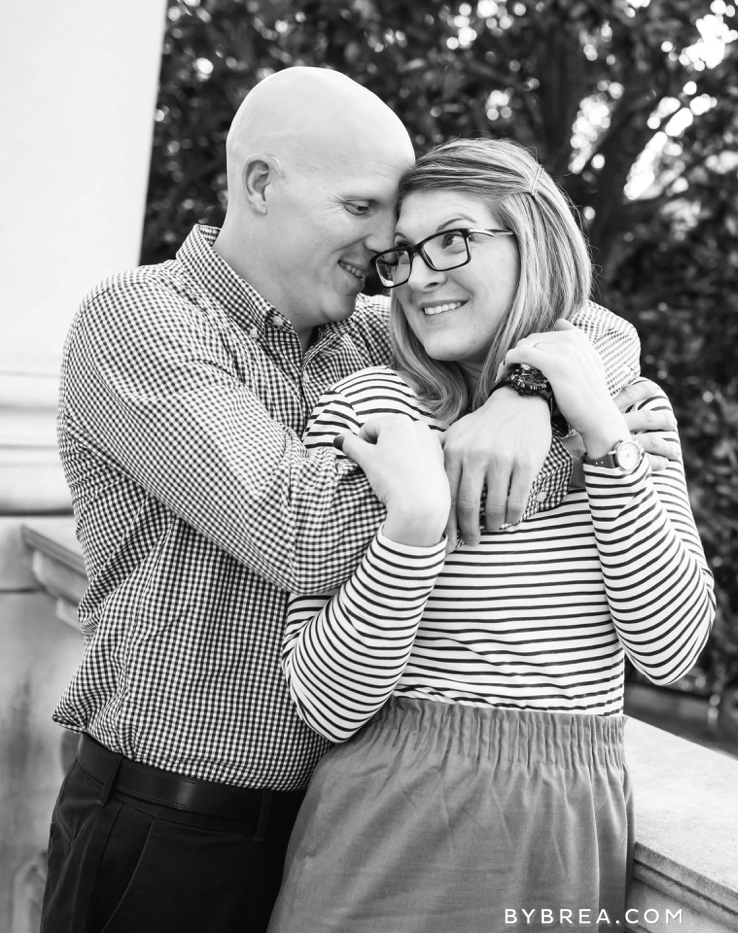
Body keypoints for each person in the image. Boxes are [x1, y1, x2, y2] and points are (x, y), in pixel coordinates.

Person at [39, 68, 673, 933]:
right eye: (362, 208)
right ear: (262, 184)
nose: (389, 251)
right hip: (173, 823)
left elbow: (594, 325)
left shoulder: (370, 333)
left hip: (342, 816)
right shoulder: (143, 321)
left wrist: (526, 393)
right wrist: (548, 432)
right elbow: (301, 530)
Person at [265, 138, 716, 933]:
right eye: (404, 254)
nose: (423, 273)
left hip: (566, 820)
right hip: (385, 811)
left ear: (533, 240)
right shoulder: (369, 409)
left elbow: (670, 648)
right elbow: (324, 704)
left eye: (454, 239)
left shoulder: (630, 411)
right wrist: (412, 529)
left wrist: (599, 434)